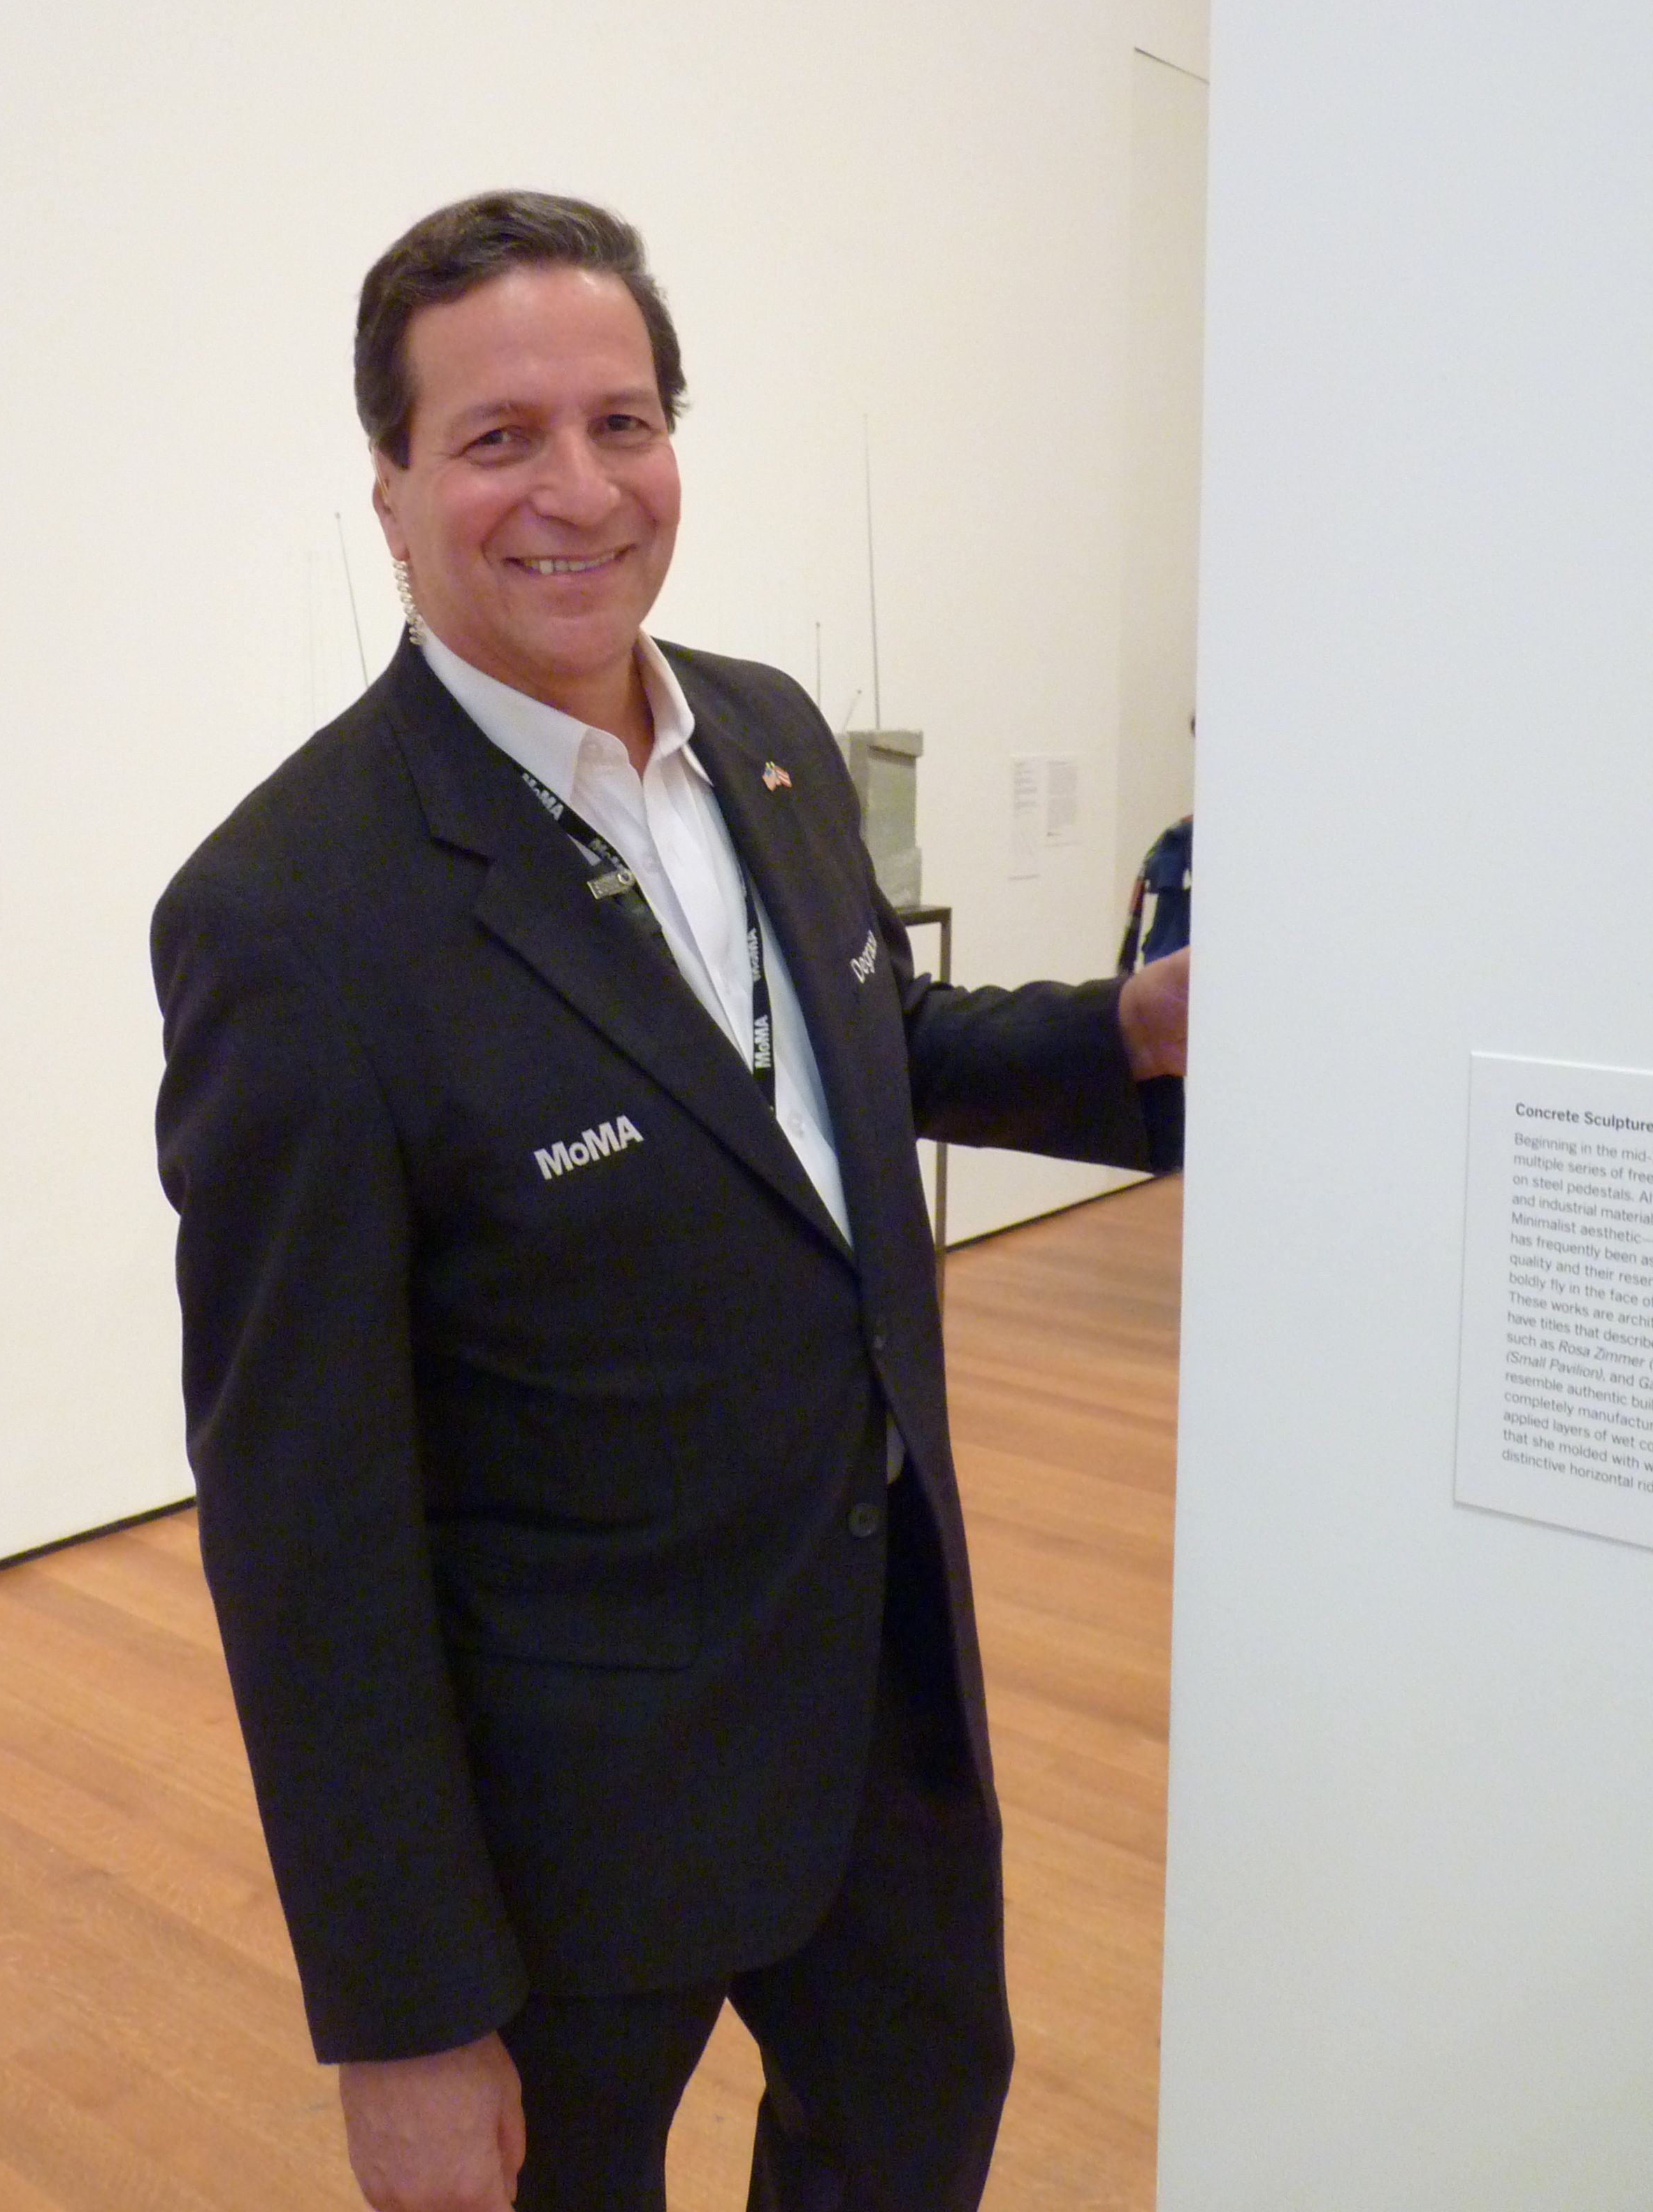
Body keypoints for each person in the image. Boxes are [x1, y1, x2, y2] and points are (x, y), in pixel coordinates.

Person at [151, 190, 1189, 2212]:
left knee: (909, 2141)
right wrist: (403, 2015)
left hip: (877, 1707)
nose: (578, 489)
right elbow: (301, 1525)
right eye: (498, 437)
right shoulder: (292, 916)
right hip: (570, 1821)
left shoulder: (766, 736)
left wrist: (1126, 1035)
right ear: (388, 491)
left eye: (621, 423)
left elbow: (855, 1047)